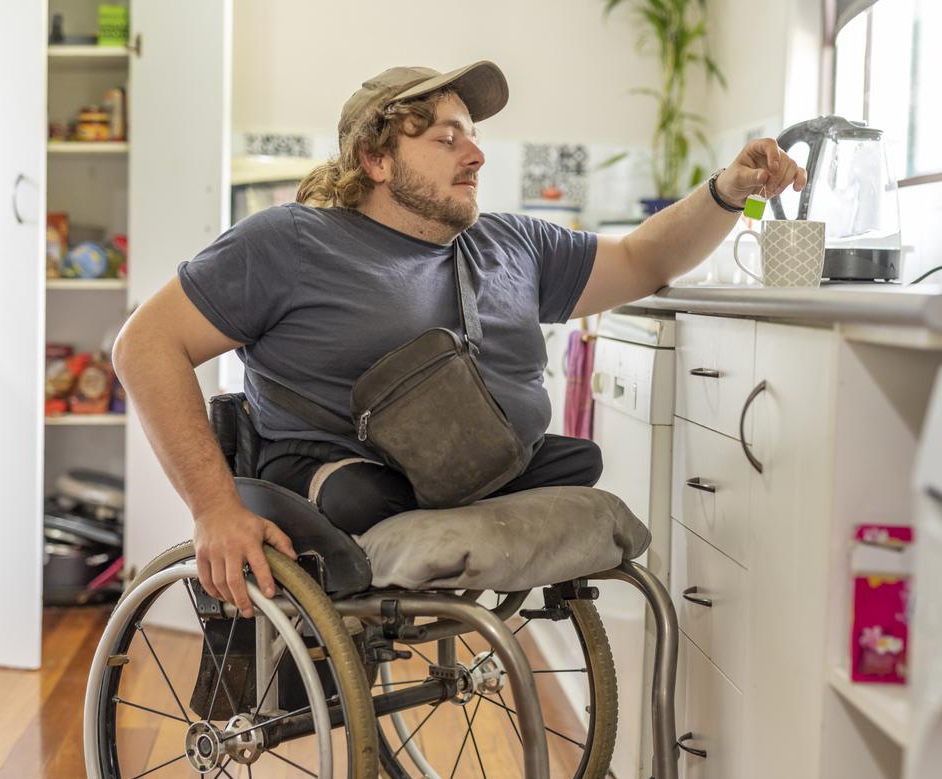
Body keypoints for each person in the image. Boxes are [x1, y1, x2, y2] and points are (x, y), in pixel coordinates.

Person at [113, 60, 806, 618]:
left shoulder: (515, 242)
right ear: (376, 160)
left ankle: (463, 485)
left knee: (576, 459)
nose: (475, 153)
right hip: (339, 476)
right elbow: (143, 347)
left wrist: (729, 189)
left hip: (482, 470)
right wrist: (214, 510)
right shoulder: (290, 242)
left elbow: (645, 261)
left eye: (470, 135)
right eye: (446, 137)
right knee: (361, 495)